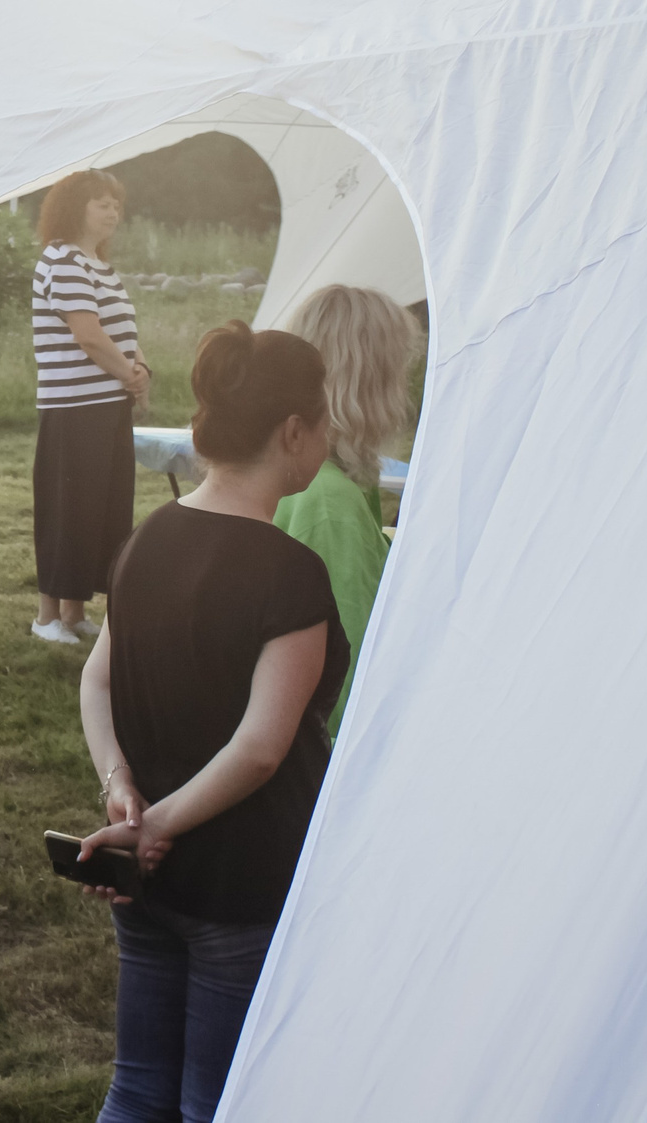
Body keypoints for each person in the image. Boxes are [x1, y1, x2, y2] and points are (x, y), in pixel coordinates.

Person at [74, 321, 348, 1123]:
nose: (330, 435)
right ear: (293, 432)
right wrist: (153, 822)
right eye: (325, 419)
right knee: (219, 1104)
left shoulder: (148, 537)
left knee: (137, 1088)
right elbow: (262, 750)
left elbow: (97, 680)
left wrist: (122, 793)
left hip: (149, 878)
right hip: (243, 877)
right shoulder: (289, 573)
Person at [274, 284, 423, 734]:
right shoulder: (330, 501)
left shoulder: (314, 475)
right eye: (398, 370)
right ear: (372, 382)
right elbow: (346, 685)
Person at [31, 169, 152, 644]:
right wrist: (130, 375)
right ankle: (46, 618)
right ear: (73, 206)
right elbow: (88, 335)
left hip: (107, 404)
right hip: (74, 408)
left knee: (99, 511)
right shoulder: (62, 260)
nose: (112, 211)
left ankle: (74, 613)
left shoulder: (98, 264)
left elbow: (124, 332)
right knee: (67, 509)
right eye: (101, 202)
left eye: (116, 203)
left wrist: (140, 374)